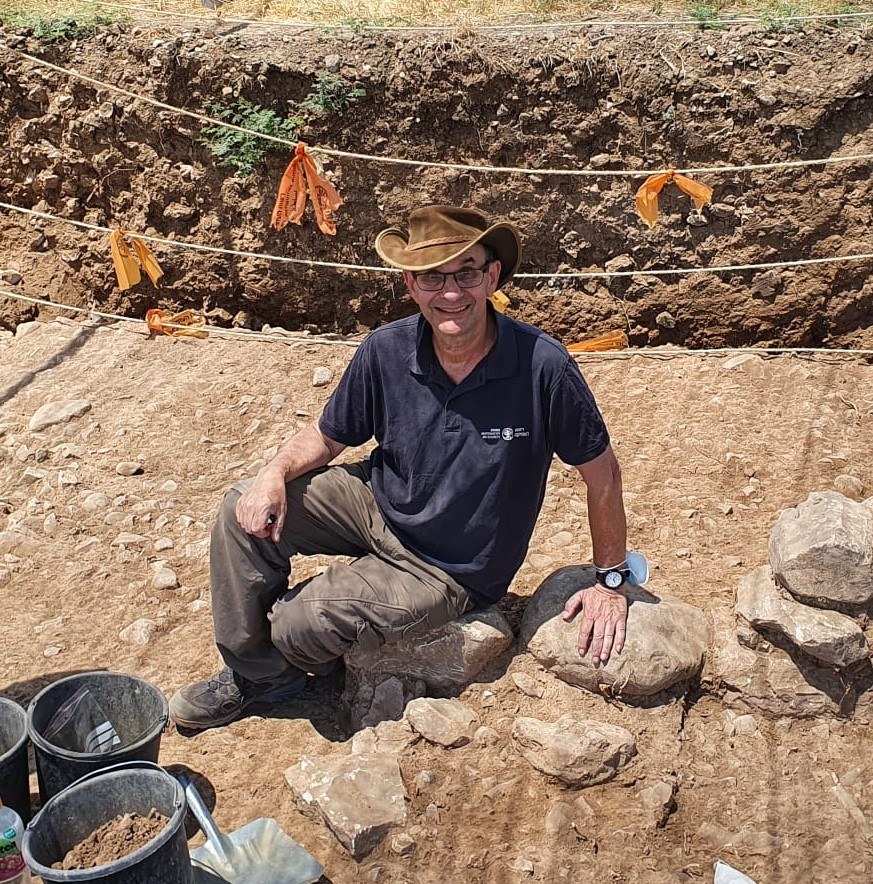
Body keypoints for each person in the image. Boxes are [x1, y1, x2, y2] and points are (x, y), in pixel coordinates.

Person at [169, 205, 630, 731]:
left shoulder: (542, 366)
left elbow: (604, 475)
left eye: (466, 272)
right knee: (240, 509)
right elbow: (327, 435)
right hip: (377, 501)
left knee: (299, 623)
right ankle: (260, 677)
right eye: (433, 276)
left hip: (448, 566)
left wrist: (610, 582)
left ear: (492, 276)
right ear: (410, 284)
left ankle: (298, 644)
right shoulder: (386, 349)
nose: (450, 292)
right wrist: (273, 473)